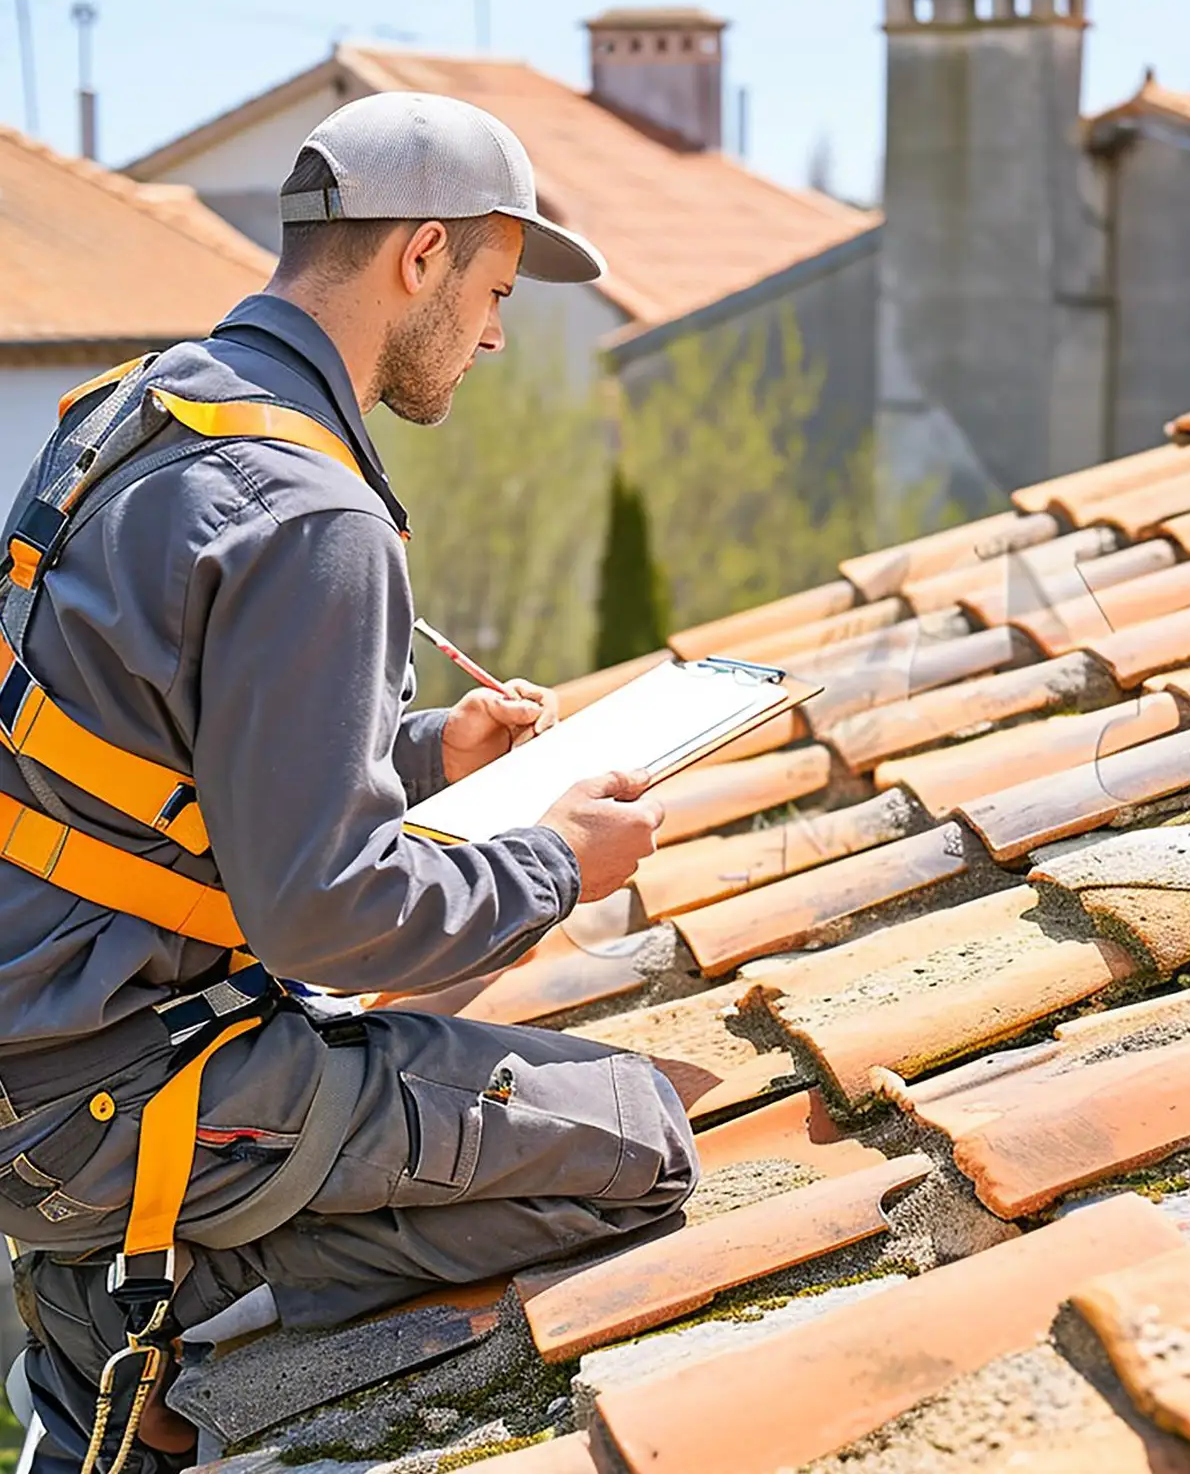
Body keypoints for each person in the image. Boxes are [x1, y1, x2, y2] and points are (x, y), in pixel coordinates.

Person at [0, 92, 697, 1474]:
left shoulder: (137, 412)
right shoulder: (314, 513)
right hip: (110, 1093)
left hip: (44, 1038)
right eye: (494, 291)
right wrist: (560, 864)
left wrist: (428, 753)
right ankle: (154, 1307)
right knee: (642, 1141)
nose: (494, 336)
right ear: (422, 254)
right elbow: (327, 918)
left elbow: (147, 753)